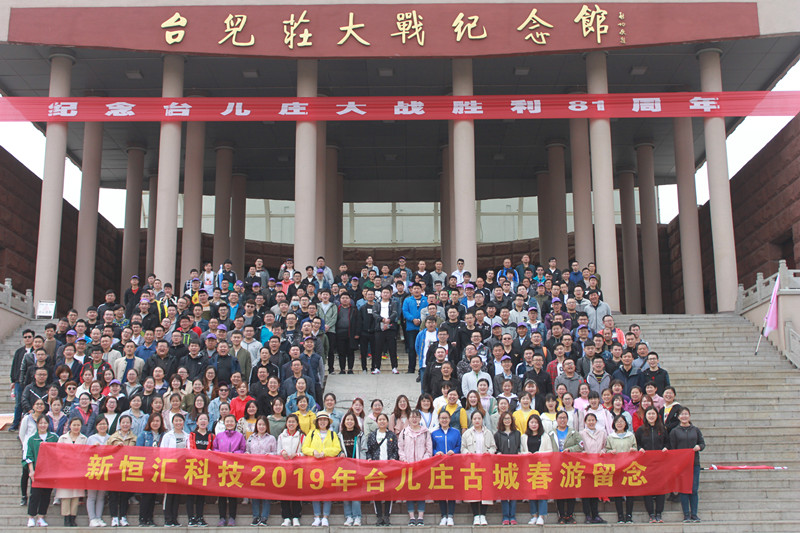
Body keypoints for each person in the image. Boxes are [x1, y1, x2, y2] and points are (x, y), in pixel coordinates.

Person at [540, 411, 583, 524]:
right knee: (559, 491)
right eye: (560, 418)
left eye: (564, 418)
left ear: (567, 419)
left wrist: (570, 450)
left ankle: (570, 514)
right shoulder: (551, 433)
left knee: (571, 490)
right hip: (556, 465)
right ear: (556, 420)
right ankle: (561, 515)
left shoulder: (573, 432)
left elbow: (581, 446)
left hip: (571, 466)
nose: (562, 420)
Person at [669, 407, 705, 523]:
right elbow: (672, 448)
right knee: (683, 489)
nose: (684, 416)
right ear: (678, 417)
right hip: (681, 464)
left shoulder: (695, 430)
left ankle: (694, 514)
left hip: (694, 463)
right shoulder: (675, 431)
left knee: (694, 489)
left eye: (686, 414)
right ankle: (686, 515)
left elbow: (702, 443)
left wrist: (699, 447)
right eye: (682, 414)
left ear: (689, 416)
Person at [461, 411, 496, 526]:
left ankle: (483, 515)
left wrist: (489, 452)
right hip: (472, 466)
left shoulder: (488, 433)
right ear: (471, 420)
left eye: (479, 418)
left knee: (485, 490)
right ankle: (476, 515)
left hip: (485, 466)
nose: (477, 420)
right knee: (473, 490)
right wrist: (468, 454)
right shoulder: (467, 434)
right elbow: (463, 448)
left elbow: (493, 447)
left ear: (482, 420)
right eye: (475, 418)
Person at [211, 414, 247, 526]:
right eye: (227, 421)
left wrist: (233, 454)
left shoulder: (239, 436)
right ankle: (222, 517)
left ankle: (232, 517)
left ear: (235, 423)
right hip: (221, 467)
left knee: (232, 494)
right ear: (224, 423)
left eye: (232, 421)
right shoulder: (219, 436)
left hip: (234, 468)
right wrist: (222, 454)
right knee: (221, 494)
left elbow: (243, 449)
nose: (230, 423)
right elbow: (214, 448)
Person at [635, 406, 669, 523]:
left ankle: (659, 513)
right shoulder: (640, 430)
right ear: (645, 416)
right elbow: (637, 443)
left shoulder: (662, 429)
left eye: (653, 414)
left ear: (657, 416)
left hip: (660, 463)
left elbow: (667, 443)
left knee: (660, 488)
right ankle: (651, 514)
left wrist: (665, 448)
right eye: (649, 414)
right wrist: (640, 449)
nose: (651, 416)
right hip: (646, 464)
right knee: (648, 489)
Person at [398, 410, 431, 526]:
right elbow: (400, 449)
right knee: (409, 492)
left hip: (421, 467)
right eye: (412, 417)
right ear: (409, 419)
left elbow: (429, 449)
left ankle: (420, 517)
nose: (414, 419)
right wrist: (404, 459)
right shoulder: (404, 432)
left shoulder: (425, 432)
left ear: (420, 418)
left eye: (416, 417)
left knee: (421, 491)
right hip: (408, 467)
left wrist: (423, 461)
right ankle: (411, 517)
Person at [364, 413, 398, 526]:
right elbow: (368, 450)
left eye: (384, 419)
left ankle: (387, 515)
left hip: (388, 468)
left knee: (388, 492)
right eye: (380, 420)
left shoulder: (392, 435)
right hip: (376, 468)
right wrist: (369, 458)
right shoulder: (372, 435)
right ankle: (379, 516)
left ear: (387, 422)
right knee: (376, 492)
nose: (382, 421)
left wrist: (393, 459)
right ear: (377, 422)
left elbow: (395, 450)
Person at [25, 415, 58, 528]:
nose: (43, 425)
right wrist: (31, 471)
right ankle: (31, 517)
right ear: (37, 424)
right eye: (41, 423)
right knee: (35, 495)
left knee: (46, 495)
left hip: (49, 472)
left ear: (48, 424)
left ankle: (41, 517)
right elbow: (29, 456)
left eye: (45, 423)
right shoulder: (32, 439)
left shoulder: (53, 438)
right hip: (37, 472)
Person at [430, 411, 461, 526]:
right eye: (442, 418)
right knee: (441, 490)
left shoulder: (456, 432)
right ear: (438, 420)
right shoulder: (434, 433)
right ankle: (443, 516)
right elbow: (431, 448)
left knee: (451, 490)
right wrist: (436, 452)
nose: (444, 420)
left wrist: (455, 451)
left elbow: (459, 446)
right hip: (439, 466)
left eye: (446, 418)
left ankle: (451, 515)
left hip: (453, 465)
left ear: (450, 419)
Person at [605, 414, 638, 523]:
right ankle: (620, 515)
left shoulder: (631, 436)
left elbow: (636, 448)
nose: (619, 424)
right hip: (616, 468)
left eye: (622, 421)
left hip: (629, 467)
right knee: (618, 492)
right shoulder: (610, 437)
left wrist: (633, 450)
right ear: (614, 424)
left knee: (630, 492)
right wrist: (610, 452)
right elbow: (607, 450)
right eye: (617, 422)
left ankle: (629, 515)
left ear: (625, 423)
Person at [55, 418, 87, 527]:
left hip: (78, 471)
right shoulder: (62, 438)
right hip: (65, 470)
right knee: (65, 495)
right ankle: (66, 518)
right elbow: (58, 453)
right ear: (70, 426)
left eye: (78, 425)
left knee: (75, 496)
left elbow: (86, 454)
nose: (76, 427)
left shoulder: (84, 439)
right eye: (74, 425)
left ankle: (73, 518)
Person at [136, 413, 165, 527]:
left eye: (158, 421)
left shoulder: (163, 435)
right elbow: (138, 452)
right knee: (146, 495)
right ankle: (142, 519)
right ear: (149, 422)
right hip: (146, 468)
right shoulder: (143, 435)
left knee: (153, 495)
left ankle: (150, 519)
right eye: (153, 421)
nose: (155, 423)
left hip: (158, 468)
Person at [246, 416, 277, 525]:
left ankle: (264, 517)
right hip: (254, 471)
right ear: (256, 426)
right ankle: (256, 516)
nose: (261, 427)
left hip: (267, 470)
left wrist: (270, 455)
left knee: (266, 494)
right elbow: (247, 451)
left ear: (267, 426)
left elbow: (275, 452)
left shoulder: (271, 438)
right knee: (254, 494)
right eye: (259, 424)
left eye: (263, 425)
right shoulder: (251, 438)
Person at [160, 412, 189, 527]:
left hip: (181, 469)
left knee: (177, 494)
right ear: (172, 422)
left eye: (180, 420)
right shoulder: (168, 436)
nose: (178, 423)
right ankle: (168, 519)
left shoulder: (187, 436)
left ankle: (174, 519)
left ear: (183, 422)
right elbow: (162, 451)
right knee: (169, 494)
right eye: (176, 421)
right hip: (170, 468)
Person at [579, 413, 607, 524]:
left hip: (598, 465)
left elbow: (606, 446)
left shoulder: (602, 433)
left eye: (593, 420)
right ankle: (587, 515)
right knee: (586, 491)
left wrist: (603, 451)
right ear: (585, 422)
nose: (591, 422)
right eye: (589, 420)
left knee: (595, 491)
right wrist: (583, 453)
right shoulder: (581, 434)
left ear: (596, 421)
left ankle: (595, 514)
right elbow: (579, 446)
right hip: (585, 465)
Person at [276, 414, 304, 526]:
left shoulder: (302, 436)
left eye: (293, 422)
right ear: (286, 423)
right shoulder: (281, 436)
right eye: (289, 422)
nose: (291, 424)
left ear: (297, 424)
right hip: (284, 468)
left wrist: (297, 455)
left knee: (296, 492)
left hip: (298, 468)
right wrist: (282, 452)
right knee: (284, 492)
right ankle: (286, 517)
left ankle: (296, 516)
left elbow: (305, 452)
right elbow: (277, 450)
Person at [494, 411, 521, 525]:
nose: (507, 421)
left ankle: (512, 516)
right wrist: (498, 453)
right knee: (504, 492)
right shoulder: (497, 434)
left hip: (515, 466)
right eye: (505, 419)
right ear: (501, 421)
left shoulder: (517, 434)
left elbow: (519, 447)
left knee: (513, 492)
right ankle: (505, 516)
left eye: (509, 418)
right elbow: (496, 448)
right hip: (502, 467)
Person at [187, 413, 214, 527]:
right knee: (190, 494)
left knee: (201, 494)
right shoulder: (192, 435)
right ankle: (191, 518)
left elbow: (213, 450)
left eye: (205, 419)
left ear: (208, 422)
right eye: (201, 419)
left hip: (205, 468)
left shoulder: (211, 436)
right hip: (193, 467)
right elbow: (190, 449)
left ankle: (200, 517)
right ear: (197, 422)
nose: (203, 421)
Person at [520, 413, 547, 525]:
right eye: (532, 422)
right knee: (531, 492)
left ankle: (542, 516)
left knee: (542, 492)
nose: (534, 424)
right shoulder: (524, 437)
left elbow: (550, 451)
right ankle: (534, 515)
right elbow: (521, 451)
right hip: (529, 468)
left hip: (542, 467)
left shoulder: (545, 436)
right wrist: (526, 454)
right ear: (528, 424)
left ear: (539, 424)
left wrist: (539, 454)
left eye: (536, 422)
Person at [339, 412, 365, 526]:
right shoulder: (340, 435)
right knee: (345, 493)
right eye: (347, 420)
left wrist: (361, 464)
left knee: (356, 493)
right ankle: (348, 516)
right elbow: (338, 449)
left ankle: (357, 516)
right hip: (344, 468)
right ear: (344, 422)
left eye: (351, 420)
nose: (349, 422)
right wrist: (340, 454)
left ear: (355, 422)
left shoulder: (360, 434)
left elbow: (364, 449)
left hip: (356, 468)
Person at [86, 418, 111, 527]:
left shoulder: (110, 438)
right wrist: (93, 448)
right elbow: (85, 453)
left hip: (106, 469)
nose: (102, 426)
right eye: (100, 424)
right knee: (92, 496)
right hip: (93, 469)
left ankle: (98, 517)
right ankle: (92, 518)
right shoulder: (91, 438)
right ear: (96, 426)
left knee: (101, 495)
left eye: (104, 424)